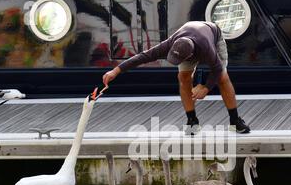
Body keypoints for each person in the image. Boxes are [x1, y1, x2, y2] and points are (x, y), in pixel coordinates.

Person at [102, 21, 250, 135]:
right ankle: (192, 121)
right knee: (183, 77)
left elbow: (216, 69)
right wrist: (115, 71)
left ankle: (235, 120)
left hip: (212, 34)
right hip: (188, 37)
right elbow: (143, 56)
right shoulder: (171, 44)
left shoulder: (207, 48)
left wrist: (205, 88)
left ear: (190, 56)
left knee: (222, 77)